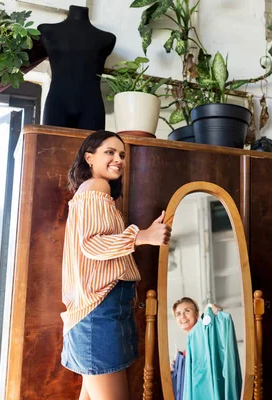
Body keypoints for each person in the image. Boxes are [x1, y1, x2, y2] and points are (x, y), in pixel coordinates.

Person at [60, 130, 172, 400]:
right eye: (109, 152)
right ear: (89, 158)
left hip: (100, 310)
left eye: (121, 154)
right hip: (98, 312)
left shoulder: (98, 195)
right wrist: (144, 236)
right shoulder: (96, 188)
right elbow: (92, 244)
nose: (119, 159)